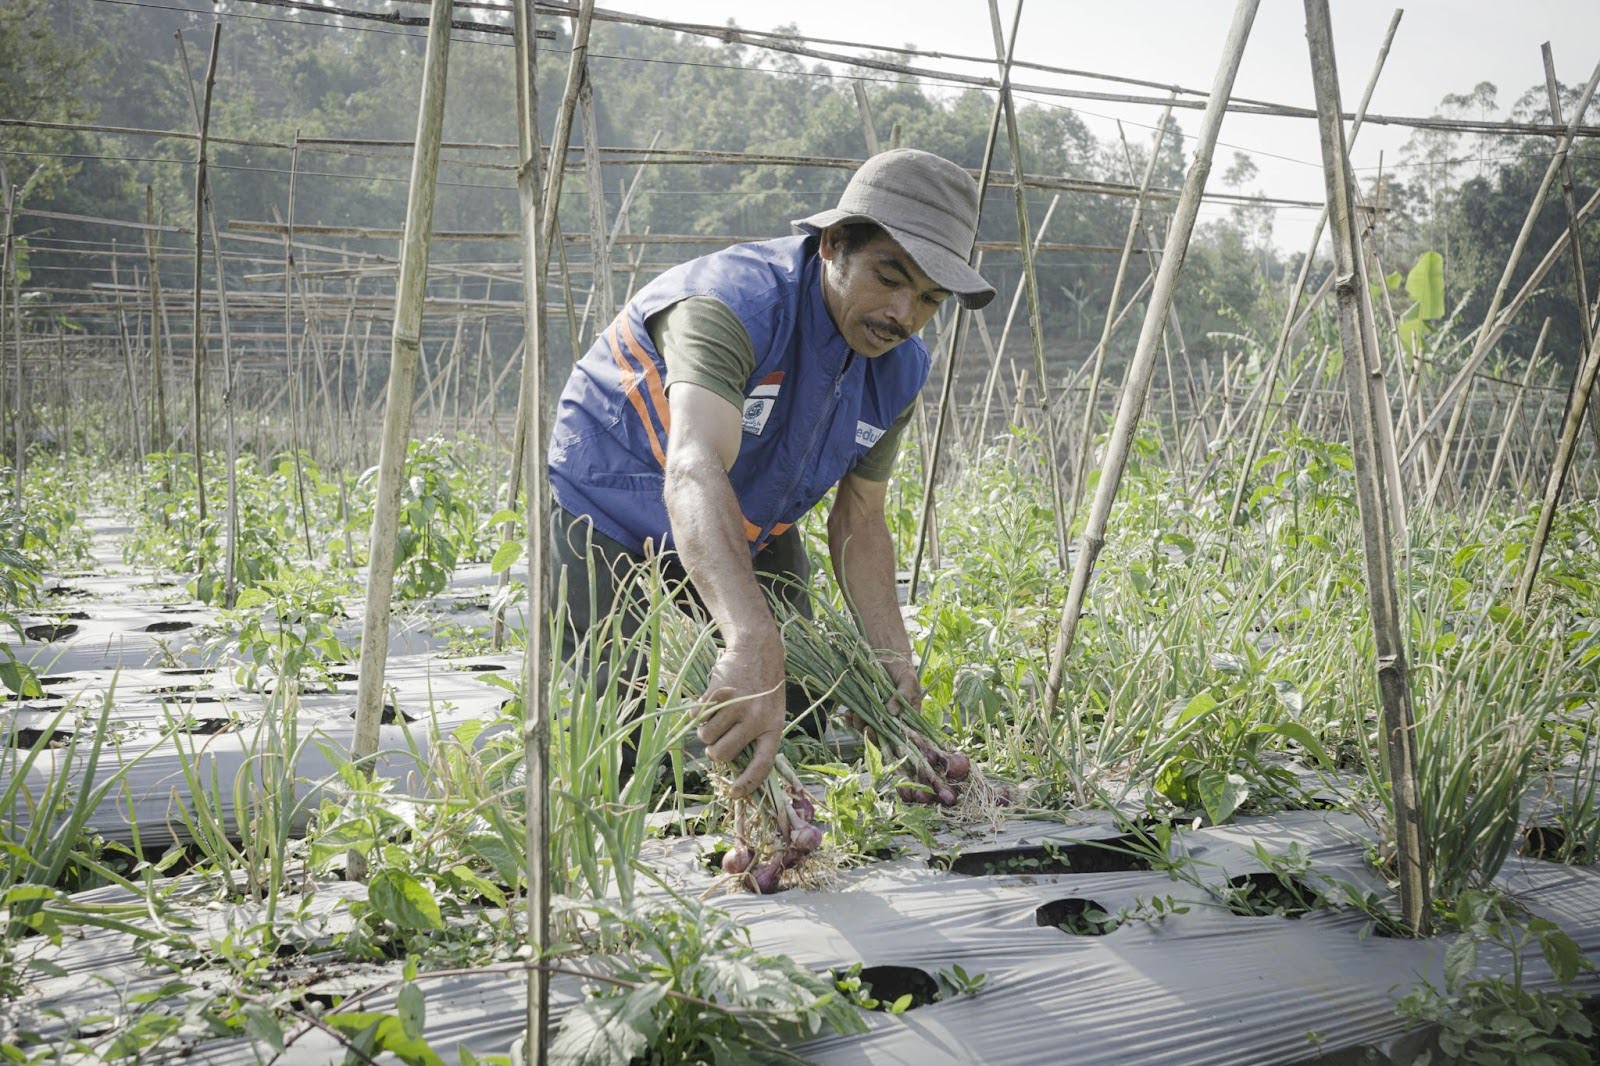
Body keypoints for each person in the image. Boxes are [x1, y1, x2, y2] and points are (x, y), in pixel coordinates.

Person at [547, 148, 995, 800]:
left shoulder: (898, 365)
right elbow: (694, 468)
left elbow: (861, 517)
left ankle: (769, 825)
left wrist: (892, 656)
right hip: (612, 509)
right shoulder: (731, 306)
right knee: (625, 742)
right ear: (833, 244)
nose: (903, 314)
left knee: (798, 711)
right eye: (889, 277)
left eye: (929, 299)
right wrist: (750, 635)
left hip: (749, 515)